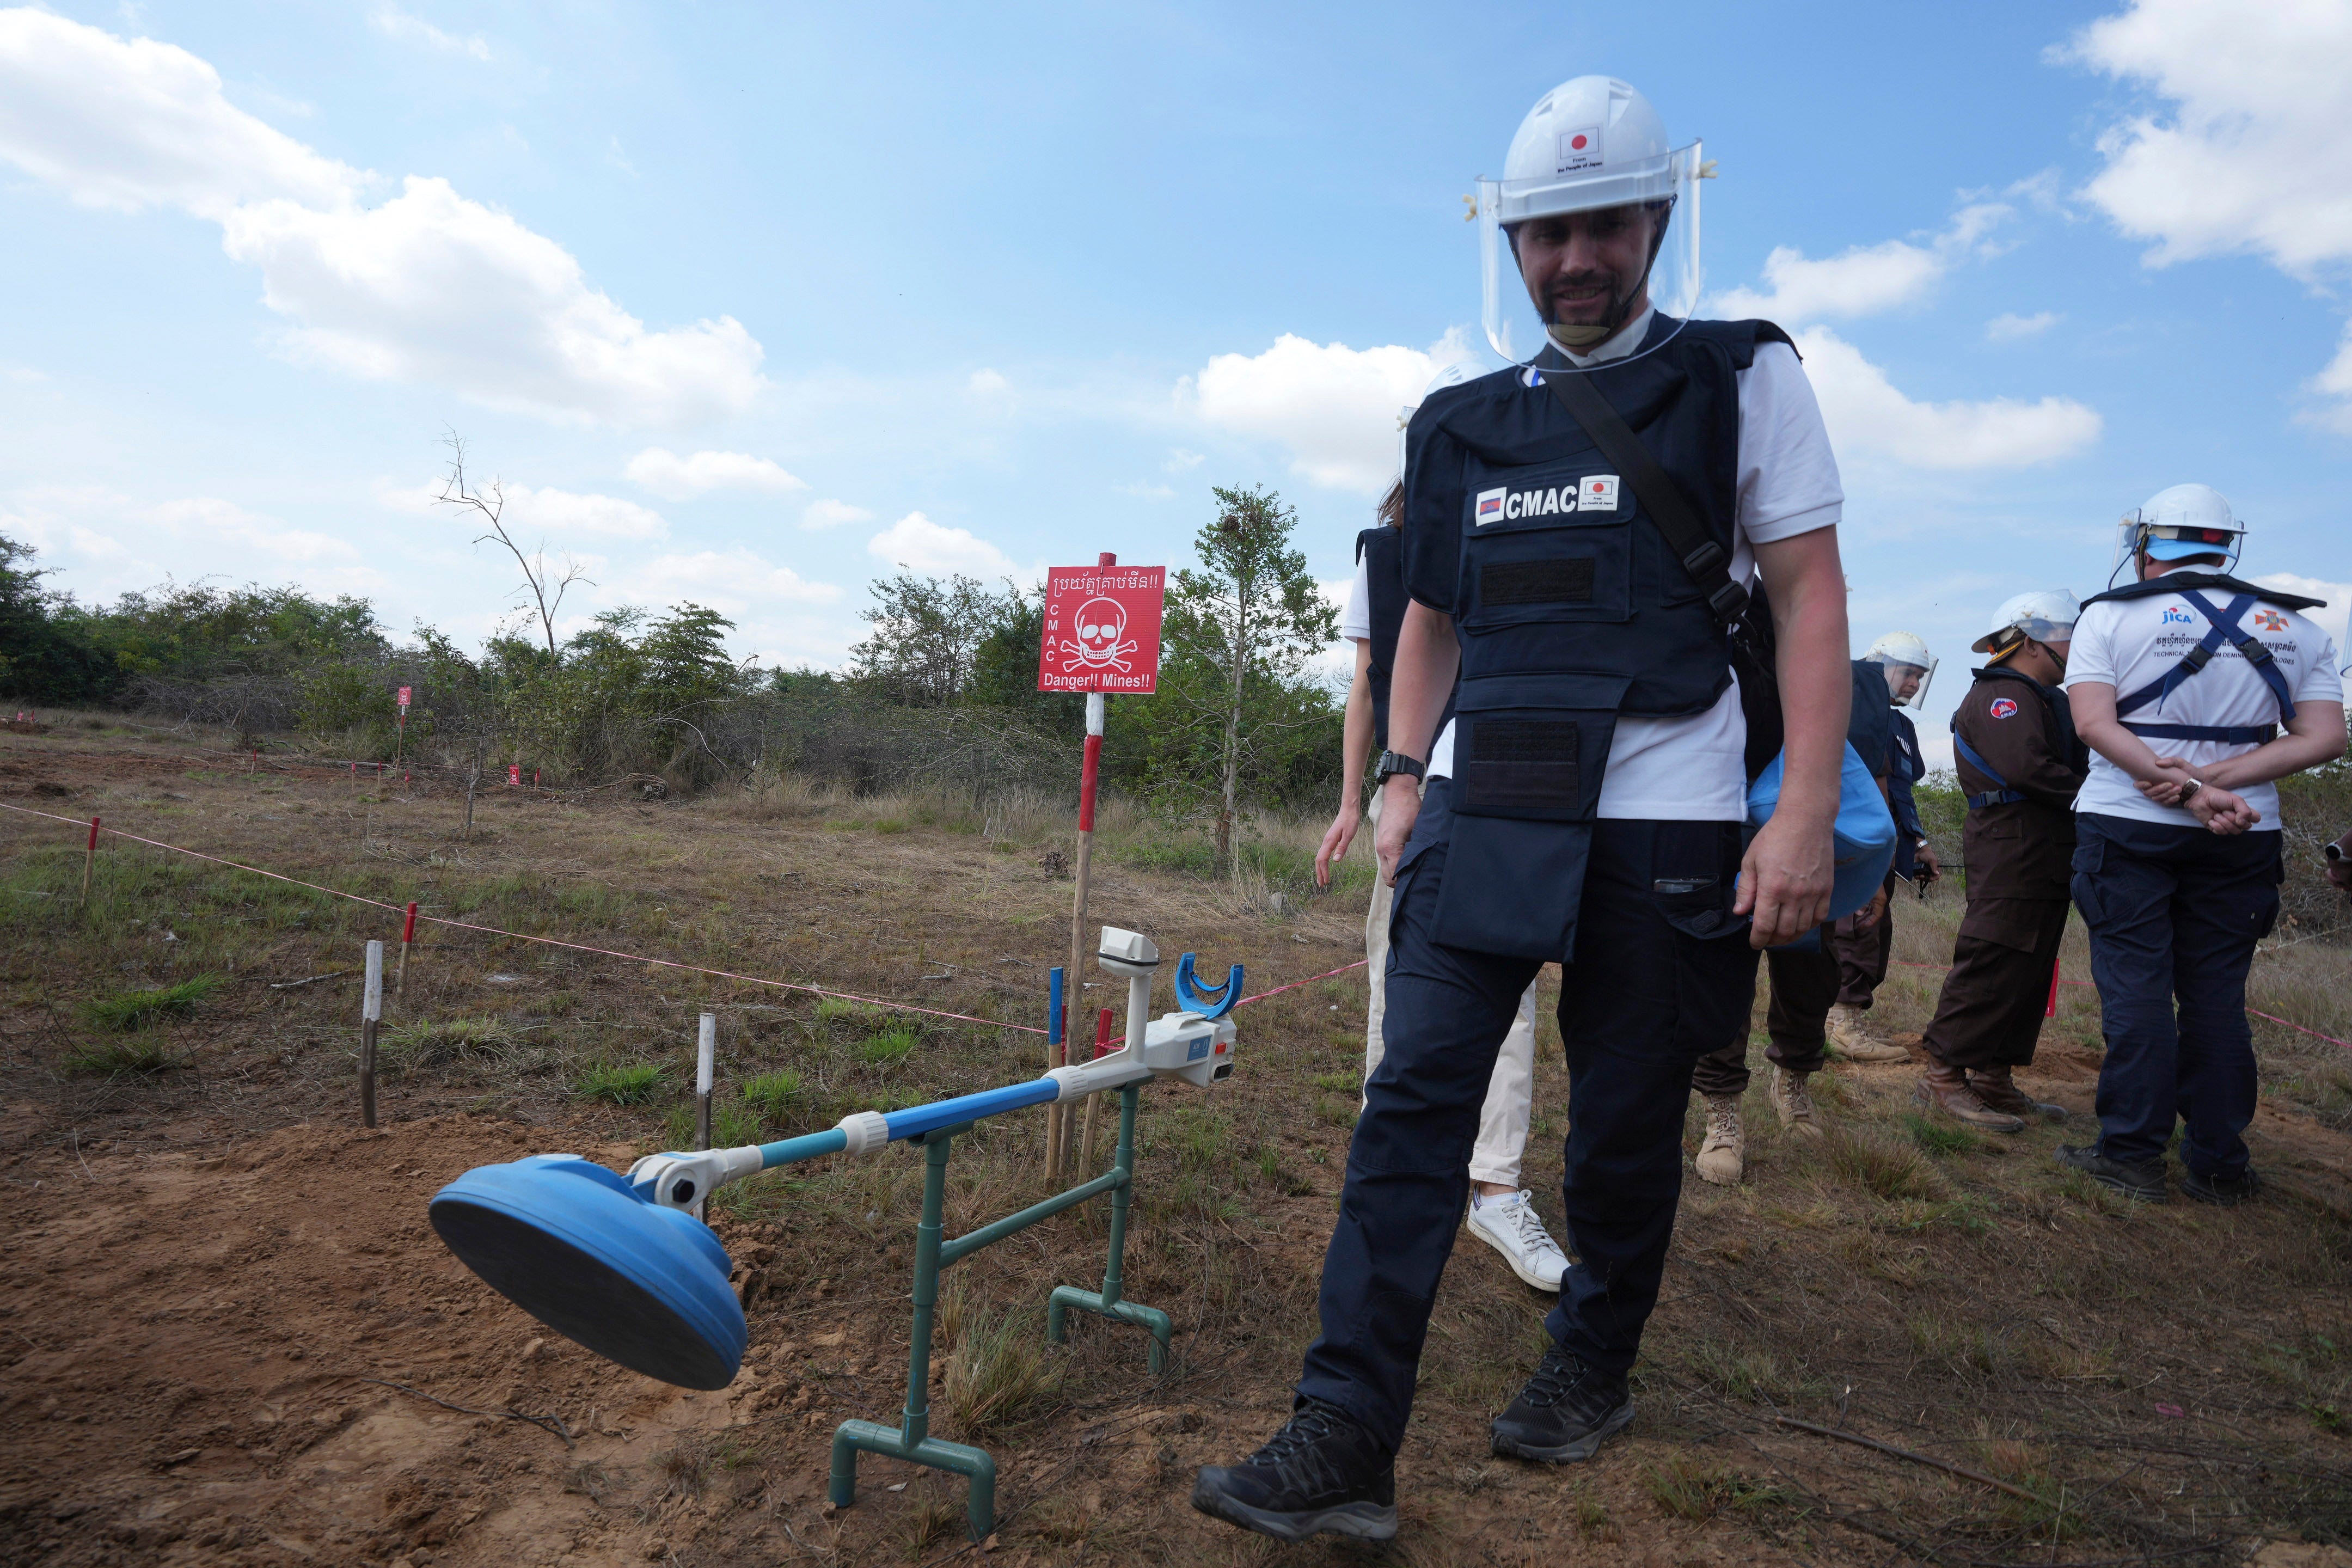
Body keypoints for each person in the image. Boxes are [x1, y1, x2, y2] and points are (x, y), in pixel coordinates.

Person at [1193, 75, 1851, 1543]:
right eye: (1546, 236)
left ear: (1657, 219)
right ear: (1509, 239)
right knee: (1409, 1114)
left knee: (1619, 1132)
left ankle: (1592, 1363)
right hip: (1486, 813)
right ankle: (1343, 1434)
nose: (1574, 262)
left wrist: (1800, 809)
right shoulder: (1457, 424)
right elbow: (1428, 621)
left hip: (1670, 822)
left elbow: (1810, 601)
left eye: (1604, 227)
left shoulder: (1745, 376)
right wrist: (1403, 776)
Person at [1318, 429, 1566, 1293]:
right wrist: (1358, 799)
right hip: (1418, 788)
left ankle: (1495, 1184)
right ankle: (1388, 1156)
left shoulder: (1537, 534)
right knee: (1396, 973)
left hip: (1512, 787)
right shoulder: (1387, 555)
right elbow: (1370, 682)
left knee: (1511, 988)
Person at [2060, 484, 2345, 1203]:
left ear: (2145, 544)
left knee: (2138, 991)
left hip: (2129, 820)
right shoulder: (2301, 629)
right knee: (2217, 998)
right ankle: (2218, 1166)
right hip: (2244, 831)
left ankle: (2130, 1156)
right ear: (2229, 544)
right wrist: (2220, 781)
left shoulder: (2107, 617)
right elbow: (2324, 736)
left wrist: (2188, 788)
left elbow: (2094, 725)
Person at [1686, 649, 1897, 1185]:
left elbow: (1869, 767)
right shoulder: (1713, 638)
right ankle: (1723, 1111)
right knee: (1720, 969)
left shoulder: (1851, 675)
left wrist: (1874, 870)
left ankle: (1793, 1084)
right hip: (1718, 823)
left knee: (1810, 972)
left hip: (1808, 838)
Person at [1914, 593, 2088, 1131]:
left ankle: (1994, 1076)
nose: (2078, 647)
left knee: (2030, 970)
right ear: (2033, 641)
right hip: (2012, 847)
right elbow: (2026, 769)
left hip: (2045, 848)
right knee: (1993, 959)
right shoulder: (2002, 695)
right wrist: (2107, 796)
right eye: (2070, 636)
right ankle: (1942, 1077)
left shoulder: (2041, 695)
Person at [1826, 634, 1941, 1057]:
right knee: (1857, 928)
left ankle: (1848, 1018)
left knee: (1878, 934)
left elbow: (1902, 792)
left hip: (1891, 844)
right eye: (1909, 672)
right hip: (1859, 841)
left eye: (1920, 676)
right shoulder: (1850, 707)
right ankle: (1840, 1024)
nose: (1914, 682)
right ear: (1881, 664)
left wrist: (1921, 844)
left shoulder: (1903, 727)